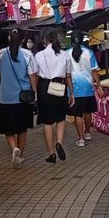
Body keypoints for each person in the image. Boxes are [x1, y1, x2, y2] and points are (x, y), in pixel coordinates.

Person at [0, 28, 38, 168]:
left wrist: (5, 81)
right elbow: (32, 75)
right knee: (22, 128)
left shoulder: (1, 53)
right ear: (23, 40)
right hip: (23, 97)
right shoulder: (28, 54)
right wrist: (34, 92)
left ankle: (14, 148)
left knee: (8, 128)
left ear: (9, 38)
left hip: (5, 97)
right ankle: (21, 155)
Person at [35, 28, 75, 163]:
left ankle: (51, 153)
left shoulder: (39, 55)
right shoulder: (64, 54)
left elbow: (35, 75)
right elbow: (68, 76)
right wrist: (72, 93)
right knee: (60, 118)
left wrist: (35, 92)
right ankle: (59, 142)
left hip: (45, 87)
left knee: (47, 122)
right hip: (60, 87)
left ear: (44, 39)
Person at [67, 30, 104, 147]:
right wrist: (99, 86)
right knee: (88, 112)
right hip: (88, 88)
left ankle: (81, 139)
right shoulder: (89, 52)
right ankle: (87, 133)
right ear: (83, 40)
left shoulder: (66, 53)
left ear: (71, 40)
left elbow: (66, 74)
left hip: (75, 90)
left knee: (78, 114)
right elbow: (94, 71)